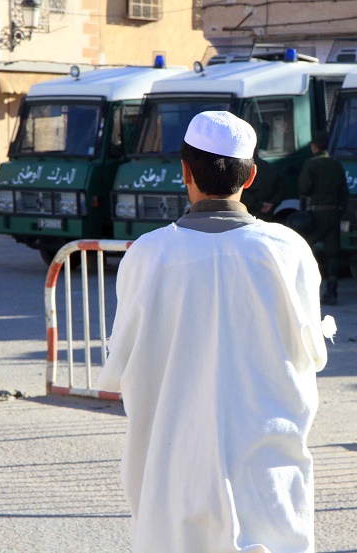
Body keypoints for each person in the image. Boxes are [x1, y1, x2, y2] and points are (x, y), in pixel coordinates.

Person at [98, 111, 330, 553]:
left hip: (173, 471)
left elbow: (121, 365)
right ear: (252, 176)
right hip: (266, 474)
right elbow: (312, 355)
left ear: (184, 170)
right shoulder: (288, 251)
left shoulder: (148, 255)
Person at [297, 131, 348, 305]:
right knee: (333, 252)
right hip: (334, 213)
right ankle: (332, 291)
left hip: (317, 213)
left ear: (314, 146)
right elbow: (344, 192)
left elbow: (304, 189)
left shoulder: (311, 164)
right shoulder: (336, 164)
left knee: (307, 248)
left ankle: (307, 287)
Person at [240, 152, 283, 221]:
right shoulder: (271, 167)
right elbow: (281, 189)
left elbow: (242, 192)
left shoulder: (244, 169)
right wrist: (272, 203)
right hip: (268, 211)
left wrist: (258, 205)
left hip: (250, 211)